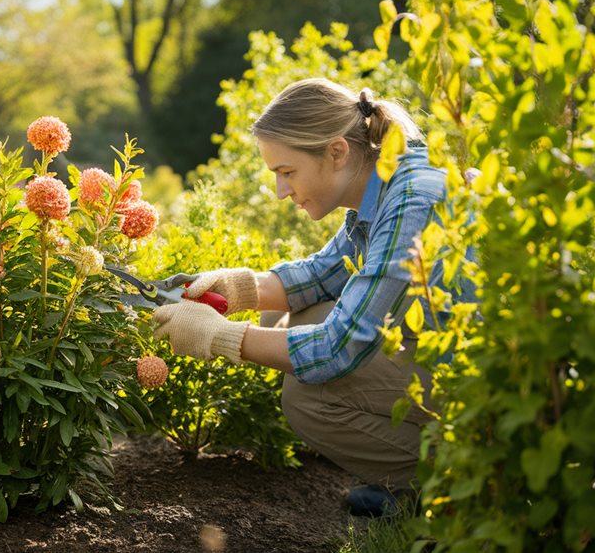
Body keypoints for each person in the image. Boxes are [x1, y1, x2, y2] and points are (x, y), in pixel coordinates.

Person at [153, 78, 473, 518]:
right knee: (281, 319)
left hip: (482, 387)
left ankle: (458, 486)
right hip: (447, 358)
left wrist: (219, 336)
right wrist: (234, 288)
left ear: (337, 152)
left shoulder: (412, 201)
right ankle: (421, 477)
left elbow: (338, 349)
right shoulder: (383, 183)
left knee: (306, 396)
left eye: (287, 173)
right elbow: (321, 275)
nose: (282, 192)